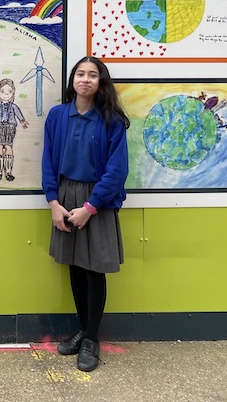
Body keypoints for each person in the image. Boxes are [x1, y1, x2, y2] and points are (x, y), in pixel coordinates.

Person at [41, 57, 129, 372]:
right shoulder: (57, 116)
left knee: (94, 270)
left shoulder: (112, 120)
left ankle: (92, 338)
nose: (85, 79)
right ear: (72, 79)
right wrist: (53, 202)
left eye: (93, 75)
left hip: (98, 201)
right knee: (76, 267)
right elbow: (49, 161)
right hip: (65, 197)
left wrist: (90, 208)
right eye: (80, 73)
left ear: (100, 82)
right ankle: (82, 329)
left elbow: (118, 171)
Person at [0, 78, 29, 182]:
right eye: (3, 92)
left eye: (9, 92)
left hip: (10, 128)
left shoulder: (14, 106)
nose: (6, 94)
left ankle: (8, 172)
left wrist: (22, 121)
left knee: (8, 147)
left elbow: (19, 114)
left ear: (13, 93)